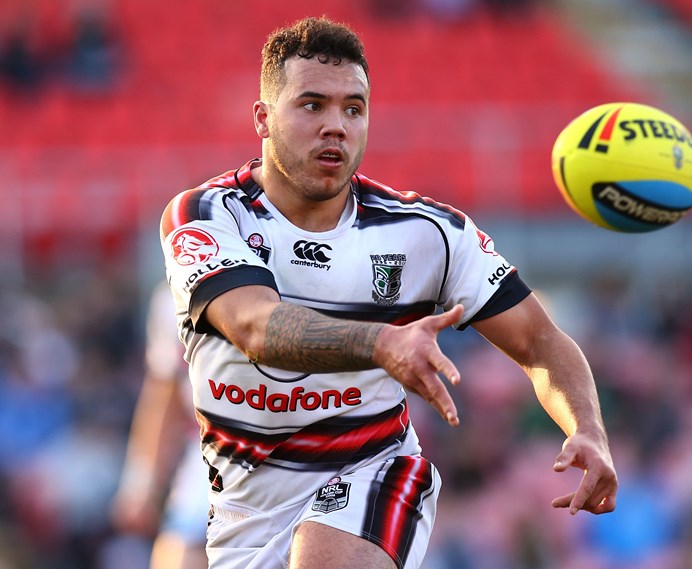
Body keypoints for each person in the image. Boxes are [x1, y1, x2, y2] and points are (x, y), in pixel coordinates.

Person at [159, 16, 617, 569]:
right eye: (312, 105)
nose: (336, 126)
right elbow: (256, 326)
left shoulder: (427, 232)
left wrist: (587, 430)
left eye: (354, 109)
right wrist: (382, 343)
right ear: (262, 118)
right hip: (244, 509)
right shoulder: (208, 214)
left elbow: (540, 341)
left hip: (373, 469)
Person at [111, 281, 209, 569]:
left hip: (306, 450)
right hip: (212, 453)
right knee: (178, 555)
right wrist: (141, 482)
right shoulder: (176, 290)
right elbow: (164, 389)